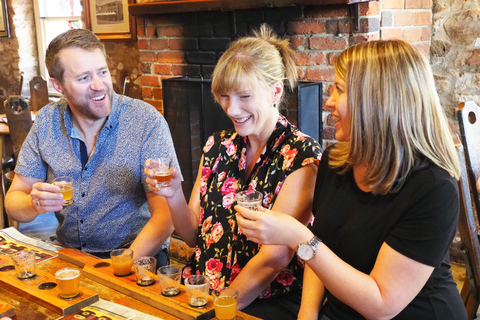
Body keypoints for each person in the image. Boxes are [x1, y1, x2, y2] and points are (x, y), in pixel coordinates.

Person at [236, 39, 467, 320]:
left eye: (340, 90)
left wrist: (298, 237)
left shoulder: (433, 189)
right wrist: (307, 315)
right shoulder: (336, 162)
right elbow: (322, 253)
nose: (329, 101)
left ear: (379, 101)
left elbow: (381, 305)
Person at [145, 24, 322, 319]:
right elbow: (191, 236)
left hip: (266, 301)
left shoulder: (302, 157)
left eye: (243, 96)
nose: (231, 109)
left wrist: (219, 307)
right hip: (202, 288)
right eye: (224, 96)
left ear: (275, 91)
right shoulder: (217, 145)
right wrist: (173, 194)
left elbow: (274, 258)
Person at [5, 29, 179, 266]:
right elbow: (13, 201)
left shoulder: (146, 121)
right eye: (84, 78)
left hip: (138, 259)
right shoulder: (47, 121)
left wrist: (116, 268)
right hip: (70, 257)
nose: (99, 85)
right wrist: (33, 203)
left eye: (102, 72)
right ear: (58, 85)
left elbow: (166, 216)